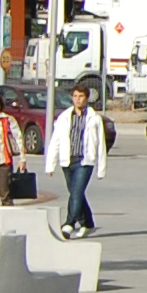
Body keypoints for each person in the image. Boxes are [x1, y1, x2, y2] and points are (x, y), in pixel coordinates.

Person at [45, 85, 107, 237]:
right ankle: (88, 223)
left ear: (87, 98)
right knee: (75, 193)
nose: (77, 99)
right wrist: (50, 164)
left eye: (81, 96)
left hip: (85, 161)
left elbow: (101, 143)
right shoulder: (65, 117)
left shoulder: (94, 118)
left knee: (76, 193)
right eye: (75, 96)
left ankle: (69, 224)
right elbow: (56, 140)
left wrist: (101, 168)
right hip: (67, 160)